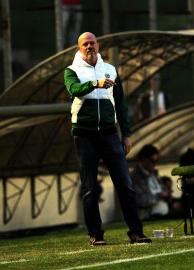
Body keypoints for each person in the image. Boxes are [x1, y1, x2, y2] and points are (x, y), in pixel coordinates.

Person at [64, 32, 151, 245]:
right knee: (90, 187)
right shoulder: (71, 71)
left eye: (92, 42)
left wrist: (127, 134)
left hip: (109, 134)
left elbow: (121, 105)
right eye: (85, 44)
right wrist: (95, 83)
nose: (89, 46)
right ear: (79, 48)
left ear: (98, 44)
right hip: (84, 135)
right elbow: (74, 90)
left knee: (125, 184)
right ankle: (96, 234)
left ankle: (136, 232)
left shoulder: (111, 70)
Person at [130, 144, 171, 220]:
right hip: (147, 213)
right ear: (144, 159)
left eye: (156, 161)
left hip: (160, 206)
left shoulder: (153, 174)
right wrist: (160, 196)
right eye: (152, 161)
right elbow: (140, 200)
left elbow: (163, 189)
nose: (155, 164)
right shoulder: (135, 177)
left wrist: (167, 194)